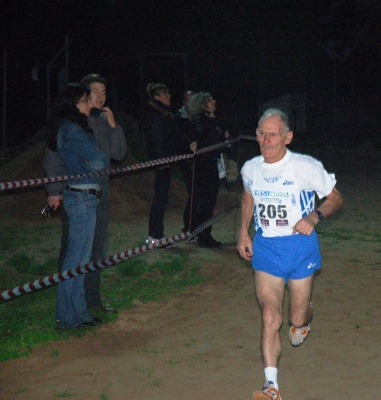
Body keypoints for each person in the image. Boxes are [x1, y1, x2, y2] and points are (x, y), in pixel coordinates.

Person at [237, 108, 343, 399]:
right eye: (261, 133)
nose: (266, 139)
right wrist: (243, 232)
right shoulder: (250, 168)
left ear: (288, 137)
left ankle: (304, 318)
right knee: (271, 316)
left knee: (295, 320)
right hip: (267, 248)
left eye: (273, 134)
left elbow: (335, 198)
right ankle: (271, 386)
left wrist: (314, 216)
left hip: (300, 247)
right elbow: (248, 196)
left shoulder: (305, 167)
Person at [44, 73, 127, 313]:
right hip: (78, 194)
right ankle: (68, 305)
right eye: (94, 92)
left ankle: (91, 301)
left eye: (104, 92)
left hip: (101, 193)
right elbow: (53, 157)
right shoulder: (72, 122)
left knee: (97, 251)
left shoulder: (101, 120)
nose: (100, 97)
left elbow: (120, 154)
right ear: (83, 96)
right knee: (73, 250)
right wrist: (54, 191)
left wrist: (114, 126)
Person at [49, 83, 108, 329]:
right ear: (72, 105)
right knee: (76, 260)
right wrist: (95, 159)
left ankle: (79, 316)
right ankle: (66, 317)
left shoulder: (72, 128)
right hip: (82, 197)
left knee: (80, 260)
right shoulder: (72, 130)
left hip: (84, 196)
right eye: (84, 100)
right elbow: (99, 160)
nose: (88, 104)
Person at [187, 91, 230, 248]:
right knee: (204, 201)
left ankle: (202, 232)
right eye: (211, 99)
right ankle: (202, 235)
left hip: (212, 163)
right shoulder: (199, 120)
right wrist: (219, 133)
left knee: (209, 200)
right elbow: (203, 137)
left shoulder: (214, 120)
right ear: (204, 104)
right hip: (203, 165)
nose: (214, 101)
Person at [142, 83, 177, 245]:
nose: (169, 96)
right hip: (162, 163)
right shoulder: (156, 115)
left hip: (166, 161)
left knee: (162, 198)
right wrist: (163, 161)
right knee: (159, 198)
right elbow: (157, 141)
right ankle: (155, 236)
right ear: (157, 97)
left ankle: (157, 234)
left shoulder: (163, 113)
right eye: (165, 94)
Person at [174, 90, 196, 234]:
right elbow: (177, 136)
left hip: (198, 159)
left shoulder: (199, 117)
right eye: (188, 100)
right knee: (193, 191)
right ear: (183, 102)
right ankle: (188, 227)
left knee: (199, 192)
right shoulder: (177, 117)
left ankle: (196, 227)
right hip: (185, 159)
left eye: (193, 99)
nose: (190, 102)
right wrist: (189, 144)